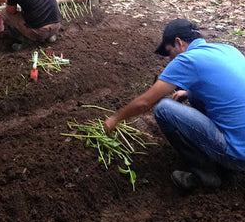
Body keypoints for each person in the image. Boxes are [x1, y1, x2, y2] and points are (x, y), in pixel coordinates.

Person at [104, 18, 245, 191]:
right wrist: (187, 93)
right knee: (195, 96)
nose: (170, 60)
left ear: (178, 42)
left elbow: (145, 102)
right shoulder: (227, 50)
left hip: (238, 156)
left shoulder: (188, 59)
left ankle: (205, 175)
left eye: (169, 52)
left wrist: (115, 118)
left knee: (164, 109)